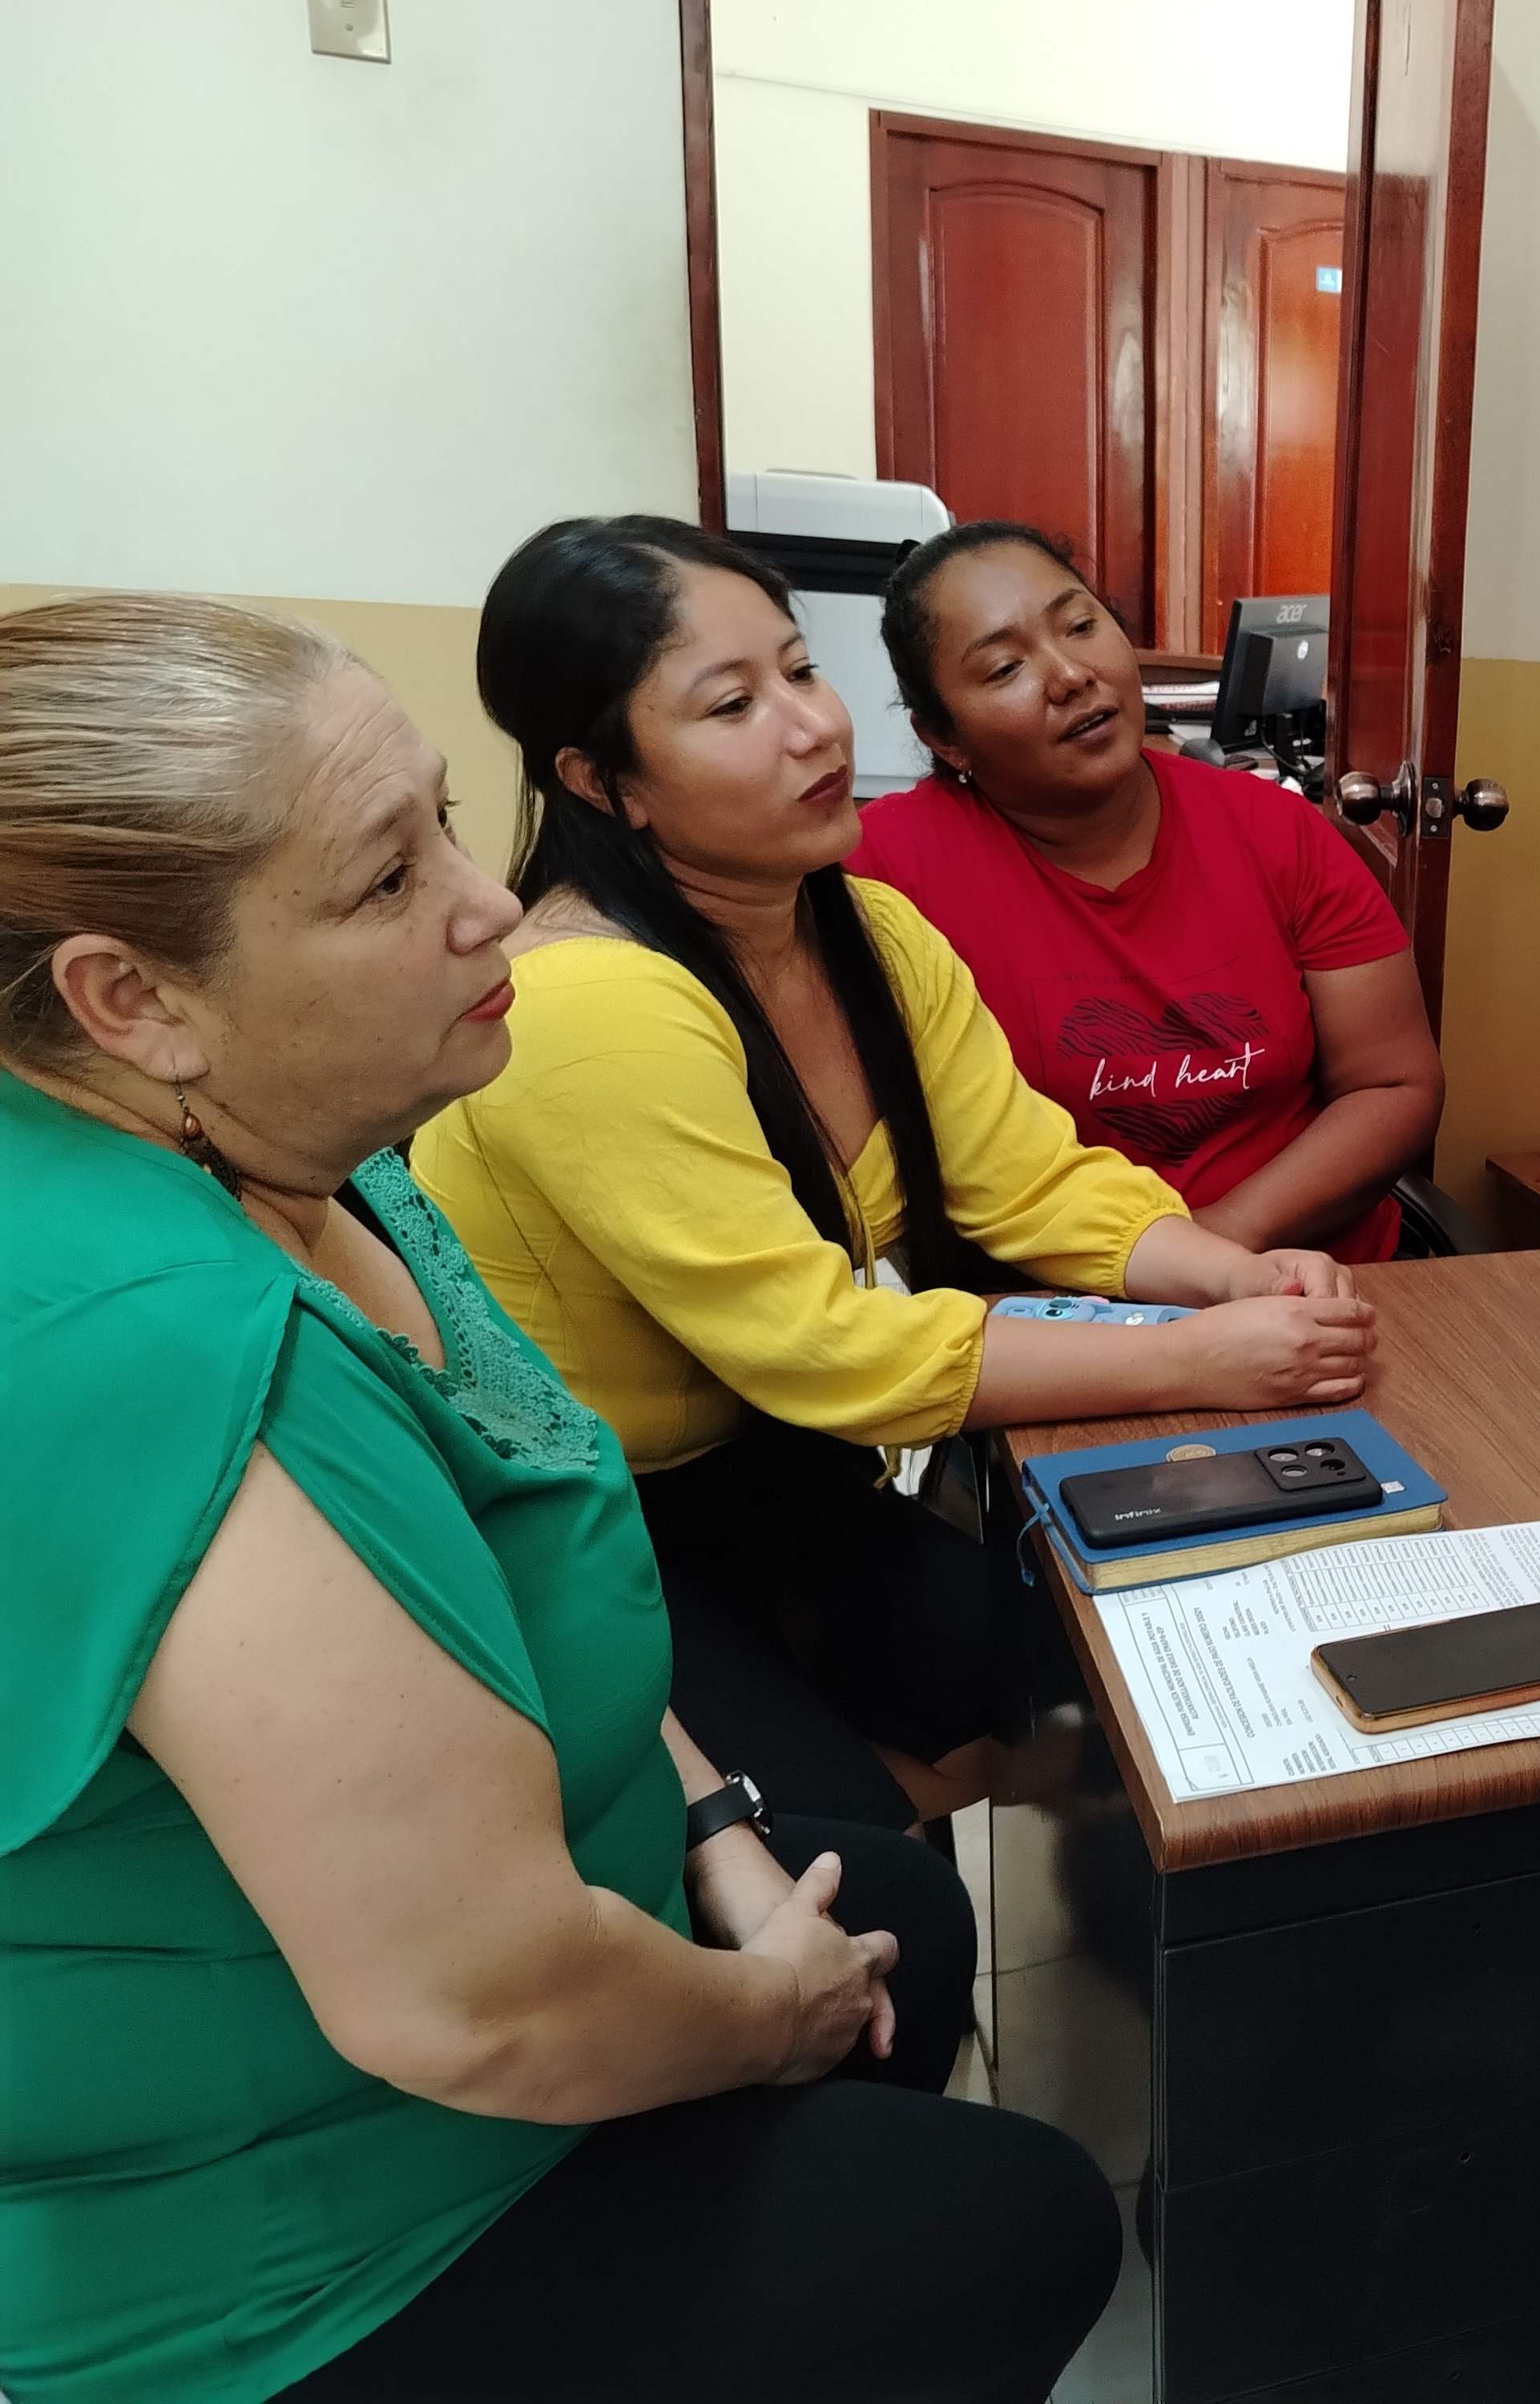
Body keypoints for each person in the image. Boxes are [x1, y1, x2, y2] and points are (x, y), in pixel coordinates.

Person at [0, 594, 1115, 2403]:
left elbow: (527, 1551)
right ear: (133, 1001)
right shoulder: (155, 1339)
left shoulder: (323, 1151)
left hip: (518, 1975)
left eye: (448, 821)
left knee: (901, 1913)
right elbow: (475, 2001)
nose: (489, 904)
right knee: (1009, 2212)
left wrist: (723, 1833)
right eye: (387, 880)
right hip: (314, 2233)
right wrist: (774, 2012)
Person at [413, 516, 1379, 1838]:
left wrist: (1230, 1275)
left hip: (774, 1467)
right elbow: (821, 1345)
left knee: (1073, 1679)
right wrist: (1195, 1359)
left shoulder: (864, 925)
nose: (813, 726)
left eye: (801, 671)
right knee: (884, 1898)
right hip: (590, 1518)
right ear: (605, 781)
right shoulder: (593, 1005)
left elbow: (1027, 1181)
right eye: (734, 705)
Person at [854, 520, 1441, 1261]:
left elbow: (1392, 1085)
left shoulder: (1279, 830)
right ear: (945, 739)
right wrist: (1153, 1271)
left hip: (1312, 1273)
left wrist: (1216, 1245)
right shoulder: (880, 873)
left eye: (1080, 625)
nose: (1071, 676)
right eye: (1005, 669)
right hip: (1053, 1306)